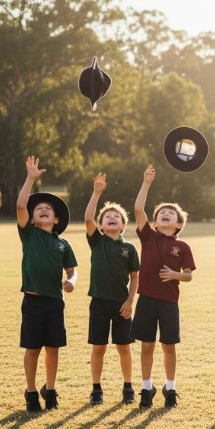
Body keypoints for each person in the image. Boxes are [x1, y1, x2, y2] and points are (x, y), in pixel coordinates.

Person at [16, 156, 77, 412]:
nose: (42, 209)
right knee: (33, 349)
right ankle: (31, 392)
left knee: (53, 348)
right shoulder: (28, 234)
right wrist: (30, 179)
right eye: (38, 208)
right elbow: (21, 205)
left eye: (48, 210)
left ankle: (50, 389)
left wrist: (71, 281)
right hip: (32, 301)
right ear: (31, 219)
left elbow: (73, 271)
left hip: (55, 302)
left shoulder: (63, 244)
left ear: (55, 220)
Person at [131, 164, 195, 409]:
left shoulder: (183, 247)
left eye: (171, 213)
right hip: (146, 299)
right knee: (147, 345)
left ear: (178, 224)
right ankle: (146, 388)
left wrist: (175, 274)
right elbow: (138, 208)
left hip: (169, 303)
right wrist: (147, 182)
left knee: (169, 345)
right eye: (161, 213)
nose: (165, 214)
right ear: (155, 223)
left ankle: (171, 387)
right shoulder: (148, 236)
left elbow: (188, 276)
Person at [84, 172, 139, 406]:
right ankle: (96, 389)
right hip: (98, 303)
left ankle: (128, 387)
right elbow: (87, 218)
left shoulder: (129, 249)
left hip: (121, 305)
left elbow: (135, 278)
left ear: (123, 225)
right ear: (101, 225)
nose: (112, 218)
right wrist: (97, 194)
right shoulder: (97, 241)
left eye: (117, 216)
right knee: (99, 347)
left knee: (123, 347)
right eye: (107, 217)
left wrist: (130, 302)